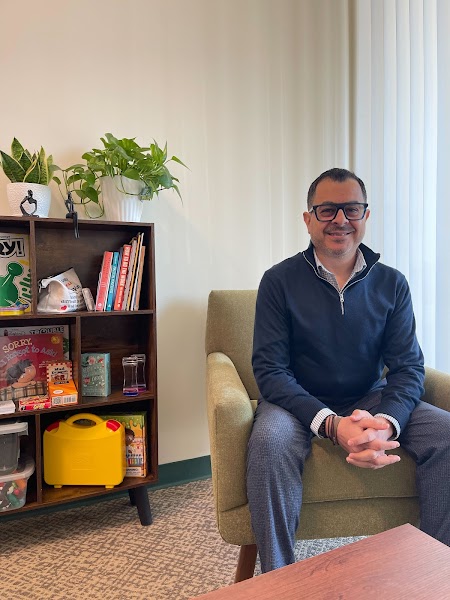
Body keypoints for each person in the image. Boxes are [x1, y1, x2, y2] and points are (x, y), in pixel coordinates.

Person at [247, 167, 450, 573]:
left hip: (370, 398)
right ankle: (278, 578)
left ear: (365, 216)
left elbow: (409, 366)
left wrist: (386, 422)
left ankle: (436, 570)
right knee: (268, 443)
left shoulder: (393, 283)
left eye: (351, 209)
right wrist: (331, 424)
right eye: (327, 210)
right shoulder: (278, 281)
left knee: (446, 433)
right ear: (308, 219)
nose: (340, 219)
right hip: (295, 402)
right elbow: (270, 370)